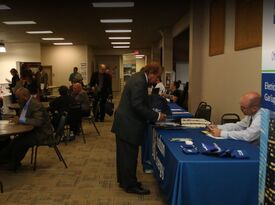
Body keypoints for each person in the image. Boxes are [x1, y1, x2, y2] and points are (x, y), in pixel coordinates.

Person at [111, 62, 166, 195]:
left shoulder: (139, 78)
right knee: (129, 156)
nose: (157, 80)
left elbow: (140, 99)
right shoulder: (140, 81)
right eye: (157, 76)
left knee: (124, 156)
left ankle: (125, 181)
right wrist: (157, 116)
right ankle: (130, 186)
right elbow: (137, 105)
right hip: (128, 124)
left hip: (126, 123)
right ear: (151, 73)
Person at [0, 87, 53, 170]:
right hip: (33, 131)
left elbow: (37, 122)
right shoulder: (26, 103)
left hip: (42, 134)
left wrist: (20, 119)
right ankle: (6, 161)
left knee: (20, 142)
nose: (17, 100)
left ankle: (13, 163)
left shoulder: (35, 105)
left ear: (25, 96)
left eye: (18, 98)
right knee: (13, 141)